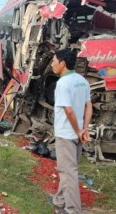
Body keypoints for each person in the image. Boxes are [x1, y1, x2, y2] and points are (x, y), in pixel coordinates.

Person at [48, 49, 92, 214]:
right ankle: (60, 199)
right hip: (78, 133)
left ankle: (73, 209)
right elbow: (89, 106)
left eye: (54, 61)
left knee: (68, 171)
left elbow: (68, 110)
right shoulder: (82, 81)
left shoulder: (62, 83)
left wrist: (78, 130)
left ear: (63, 63)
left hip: (66, 134)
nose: (52, 64)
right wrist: (83, 129)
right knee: (67, 168)